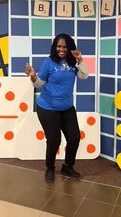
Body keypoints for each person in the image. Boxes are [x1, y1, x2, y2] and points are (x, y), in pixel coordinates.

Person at [25, 33, 89, 183]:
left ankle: (67, 167)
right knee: (54, 140)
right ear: (55, 47)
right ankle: (50, 168)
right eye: (59, 46)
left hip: (67, 108)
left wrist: (80, 59)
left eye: (65, 47)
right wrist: (34, 76)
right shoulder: (49, 62)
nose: (62, 49)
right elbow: (39, 84)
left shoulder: (73, 62)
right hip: (48, 108)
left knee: (74, 138)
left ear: (70, 48)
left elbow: (84, 76)